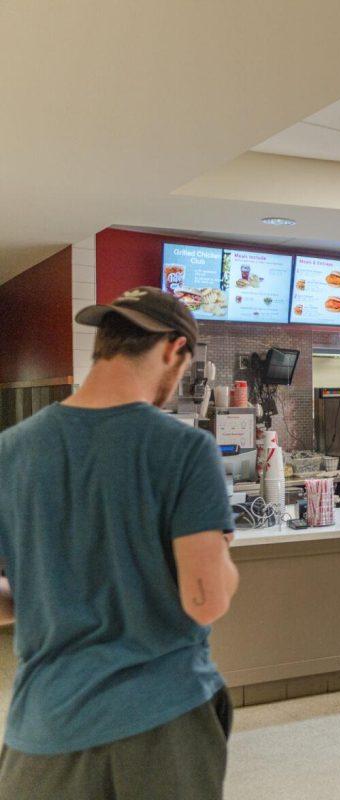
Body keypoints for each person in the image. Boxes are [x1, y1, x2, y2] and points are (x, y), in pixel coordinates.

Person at [0, 287, 240, 800]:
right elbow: (205, 601)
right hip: (160, 724)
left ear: (104, 344)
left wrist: (49, 593)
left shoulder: (11, 450)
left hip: (41, 732)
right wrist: (221, 555)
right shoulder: (184, 447)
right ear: (174, 350)